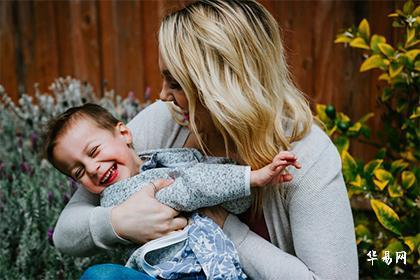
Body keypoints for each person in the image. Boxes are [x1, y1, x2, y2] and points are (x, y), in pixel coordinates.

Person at [53, 0, 358, 279]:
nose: (162, 95)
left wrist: (225, 226)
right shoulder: (168, 119)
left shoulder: (307, 154)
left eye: (176, 84)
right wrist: (119, 222)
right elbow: (66, 232)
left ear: (224, 86)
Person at [45, 103, 300, 279]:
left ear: (124, 133)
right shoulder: (119, 196)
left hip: (219, 267)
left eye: (93, 152)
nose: (92, 168)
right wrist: (252, 177)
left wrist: (236, 185)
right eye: (78, 172)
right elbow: (187, 189)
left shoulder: (165, 160)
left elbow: (232, 202)